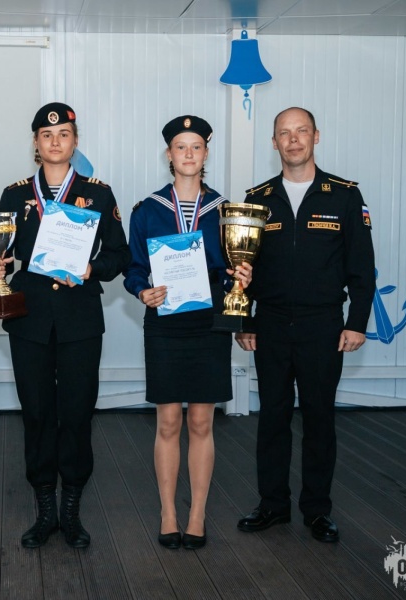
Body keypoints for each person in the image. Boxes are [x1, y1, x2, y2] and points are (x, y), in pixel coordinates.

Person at [0, 102, 131, 549]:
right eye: (46, 135)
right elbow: (2, 253)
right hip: (29, 319)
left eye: (64, 134)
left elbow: (119, 255)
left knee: (78, 413)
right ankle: (45, 506)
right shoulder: (14, 195)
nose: (55, 141)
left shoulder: (98, 193)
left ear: (75, 141)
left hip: (79, 318)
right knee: (36, 413)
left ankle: (71, 508)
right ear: (35, 142)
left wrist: (90, 269)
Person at [235, 107, 376, 543]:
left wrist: (356, 323)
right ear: (274, 142)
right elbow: (243, 269)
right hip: (271, 325)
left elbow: (362, 267)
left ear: (316, 136)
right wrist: (245, 321)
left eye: (301, 131)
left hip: (323, 326)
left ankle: (317, 510)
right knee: (272, 418)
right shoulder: (257, 198)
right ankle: (273, 505)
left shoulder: (345, 195)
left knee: (319, 419)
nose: (293, 140)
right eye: (284, 133)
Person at [123, 116, 251, 550]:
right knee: (168, 420)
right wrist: (141, 290)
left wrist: (241, 276)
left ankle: (197, 514)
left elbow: (234, 268)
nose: (189, 154)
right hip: (164, 323)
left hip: (208, 323)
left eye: (196, 146)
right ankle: (168, 512)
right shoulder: (148, 210)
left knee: (201, 420)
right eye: (181, 146)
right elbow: (133, 268)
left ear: (206, 153)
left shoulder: (227, 212)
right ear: (169, 154)